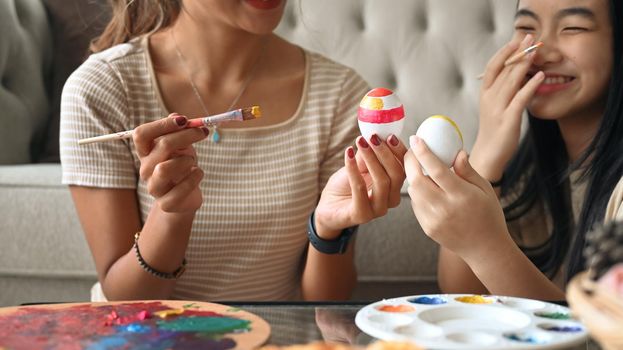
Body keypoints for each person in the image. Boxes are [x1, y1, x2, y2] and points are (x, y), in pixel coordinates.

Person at [60, 0, 407, 301]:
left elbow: (325, 303)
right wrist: (172, 215)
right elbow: (125, 299)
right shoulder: (101, 90)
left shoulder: (339, 96)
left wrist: (327, 230)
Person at [405, 0, 623, 300]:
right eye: (526, 28)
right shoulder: (530, 170)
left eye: (573, 27)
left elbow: (600, 339)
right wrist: (488, 147)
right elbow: (461, 290)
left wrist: (484, 245)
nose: (541, 53)